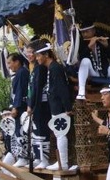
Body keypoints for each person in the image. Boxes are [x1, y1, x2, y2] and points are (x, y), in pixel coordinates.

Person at [34, 42, 75, 171]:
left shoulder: (55, 68)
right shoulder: (51, 68)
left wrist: (67, 107)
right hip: (55, 105)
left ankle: (63, 163)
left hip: (59, 106)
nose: (37, 58)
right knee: (59, 133)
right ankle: (62, 162)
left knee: (60, 133)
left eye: (38, 55)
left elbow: (62, 88)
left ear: (46, 54)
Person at [76, 24, 110, 100]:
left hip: (105, 71)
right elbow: (80, 58)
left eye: (87, 32)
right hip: (92, 72)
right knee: (85, 61)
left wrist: (107, 46)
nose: (85, 34)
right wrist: (89, 47)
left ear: (93, 31)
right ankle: (81, 92)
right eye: (83, 32)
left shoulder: (100, 42)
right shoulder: (81, 44)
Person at [24, 41, 51, 169]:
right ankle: (38, 157)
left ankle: (44, 159)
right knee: (36, 130)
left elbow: (37, 89)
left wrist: (31, 105)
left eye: (31, 52)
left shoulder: (40, 68)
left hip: (41, 103)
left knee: (41, 130)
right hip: (36, 104)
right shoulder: (34, 68)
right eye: (27, 53)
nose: (29, 55)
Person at [6, 53, 30, 168]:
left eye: (10, 62)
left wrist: (16, 107)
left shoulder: (22, 72)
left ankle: (23, 157)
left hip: (21, 107)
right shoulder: (19, 73)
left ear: (17, 62)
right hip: (18, 106)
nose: (9, 66)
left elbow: (20, 91)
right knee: (18, 132)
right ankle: (21, 156)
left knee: (21, 131)